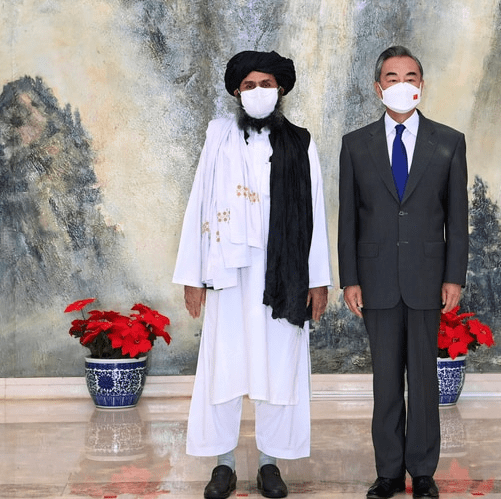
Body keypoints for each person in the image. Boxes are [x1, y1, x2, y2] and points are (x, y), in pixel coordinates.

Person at [172, 50, 332, 499]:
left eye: (266, 84)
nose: (258, 91)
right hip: (227, 271)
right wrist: (192, 276)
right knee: (223, 364)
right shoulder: (218, 137)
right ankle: (222, 464)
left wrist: (318, 279)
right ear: (237, 93)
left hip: (283, 275)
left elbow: (315, 212)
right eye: (249, 85)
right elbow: (200, 201)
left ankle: (269, 464)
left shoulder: (300, 143)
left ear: (280, 90)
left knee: (278, 365)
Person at [337, 46, 469, 499]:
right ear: (378, 88)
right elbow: (348, 219)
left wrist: (454, 276)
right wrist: (350, 278)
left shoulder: (448, 141)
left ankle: (423, 471)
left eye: (410, 77)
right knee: (386, 380)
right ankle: (389, 472)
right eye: (392, 78)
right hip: (375, 280)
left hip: (428, 278)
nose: (402, 84)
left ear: (422, 85)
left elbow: (457, 217)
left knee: (424, 380)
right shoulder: (355, 144)